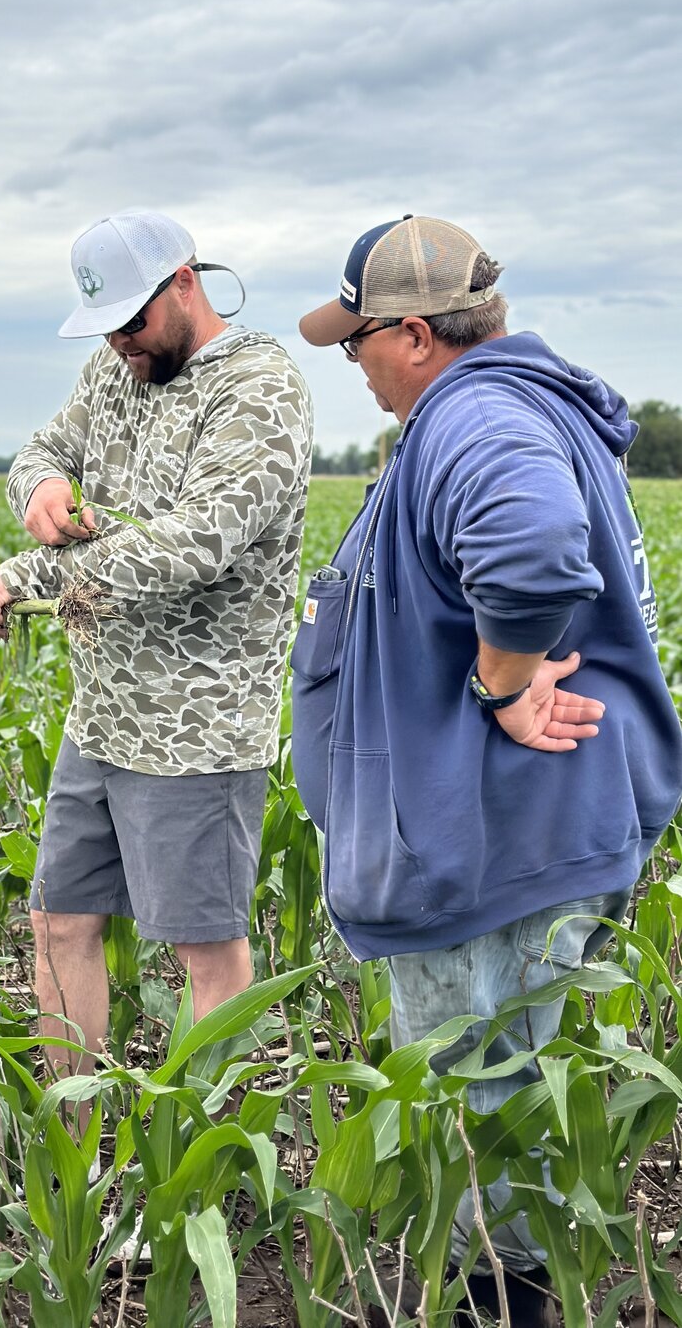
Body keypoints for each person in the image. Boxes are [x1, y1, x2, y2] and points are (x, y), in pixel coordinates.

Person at [291, 214, 682, 1326]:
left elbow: (530, 543)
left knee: (484, 1120)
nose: (350, 361)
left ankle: (499, 1311)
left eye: (357, 340)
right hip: (516, 837)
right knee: (503, 1104)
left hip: (495, 842)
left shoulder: (475, 416)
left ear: (415, 334)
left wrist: (505, 687)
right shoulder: (507, 406)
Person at [0, 208, 312, 1136]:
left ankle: (192, 1168)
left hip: (197, 730)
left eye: (132, 321)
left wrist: (27, 573)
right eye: (105, 327)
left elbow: (192, 545)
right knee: (58, 924)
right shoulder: (114, 366)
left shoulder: (260, 391)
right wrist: (35, 490)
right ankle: (77, 1151)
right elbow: (43, 451)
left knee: (206, 954)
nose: (120, 343)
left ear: (185, 282)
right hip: (102, 716)